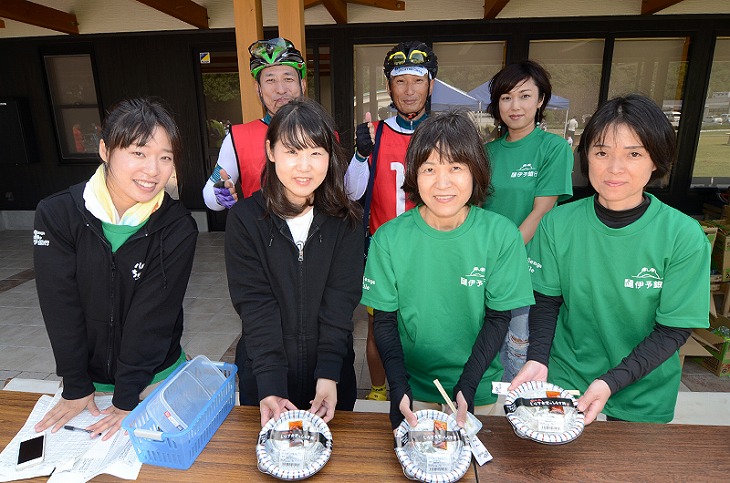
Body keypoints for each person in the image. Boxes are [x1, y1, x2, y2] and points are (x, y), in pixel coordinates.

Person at [511, 94, 711, 424]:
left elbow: (673, 329)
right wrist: (537, 359)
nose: (614, 168)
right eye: (602, 152)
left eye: (633, 154)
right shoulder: (558, 223)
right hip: (568, 380)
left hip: (643, 389)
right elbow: (545, 301)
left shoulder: (682, 235)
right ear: (586, 157)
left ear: (656, 161)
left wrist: (610, 382)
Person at [33, 98, 198, 440]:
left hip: (155, 377)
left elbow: (152, 317)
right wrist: (76, 385)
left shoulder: (177, 225)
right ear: (105, 150)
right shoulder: (58, 214)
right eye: (139, 153)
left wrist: (126, 401)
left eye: (165, 157)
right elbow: (60, 307)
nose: (153, 170)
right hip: (86, 384)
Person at [362, 111, 534, 429]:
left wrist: (468, 385)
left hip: (478, 388)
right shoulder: (388, 237)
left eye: (456, 167)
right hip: (414, 390)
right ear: (414, 174)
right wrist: (398, 385)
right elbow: (384, 322)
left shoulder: (501, 234)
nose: (443, 183)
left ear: (476, 172)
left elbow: (499, 318)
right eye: (429, 169)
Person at [225, 98, 363, 427]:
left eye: (316, 152)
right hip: (266, 374)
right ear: (271, 151)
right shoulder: (245, 219)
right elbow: (256, 305)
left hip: (332, 376)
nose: (305, 166)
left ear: (330, 156)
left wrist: (329, 374)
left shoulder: (347, 220)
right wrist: (270, 384)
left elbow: (340, 302)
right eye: (292, 151)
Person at [345, 40, 438, 402]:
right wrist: (359, 155)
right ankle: (381, 389)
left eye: (418, 80)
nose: (409, 90)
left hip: (434, 249)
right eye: (401, 81)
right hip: (384, 252)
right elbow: (351, 193)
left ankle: (424, 388)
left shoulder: (444, 130)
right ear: (389, 87)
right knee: (378, 327)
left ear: (431, 85)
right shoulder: (376, 133)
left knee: (428, 324)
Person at [484, 60, 573, 382]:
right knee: (485, 344)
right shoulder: (485, 152)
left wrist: (502, 255)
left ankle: (515, 415)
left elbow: (543, 209)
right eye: (506, 97)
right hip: (485, 264)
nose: (515, 105)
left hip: (526, 266)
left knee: (518, 347)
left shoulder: (553, 148)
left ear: (541, 101)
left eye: (524, 96)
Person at [202, 37, 307, 211]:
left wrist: (360, 158)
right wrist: (220, 194)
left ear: (302, 84)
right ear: (258, 89)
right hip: (260, 235)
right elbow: (211, 193)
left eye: (288, 79)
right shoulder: (238, 137)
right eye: (270, 80)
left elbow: (346, 191)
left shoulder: (323, 131)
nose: (280, 89)